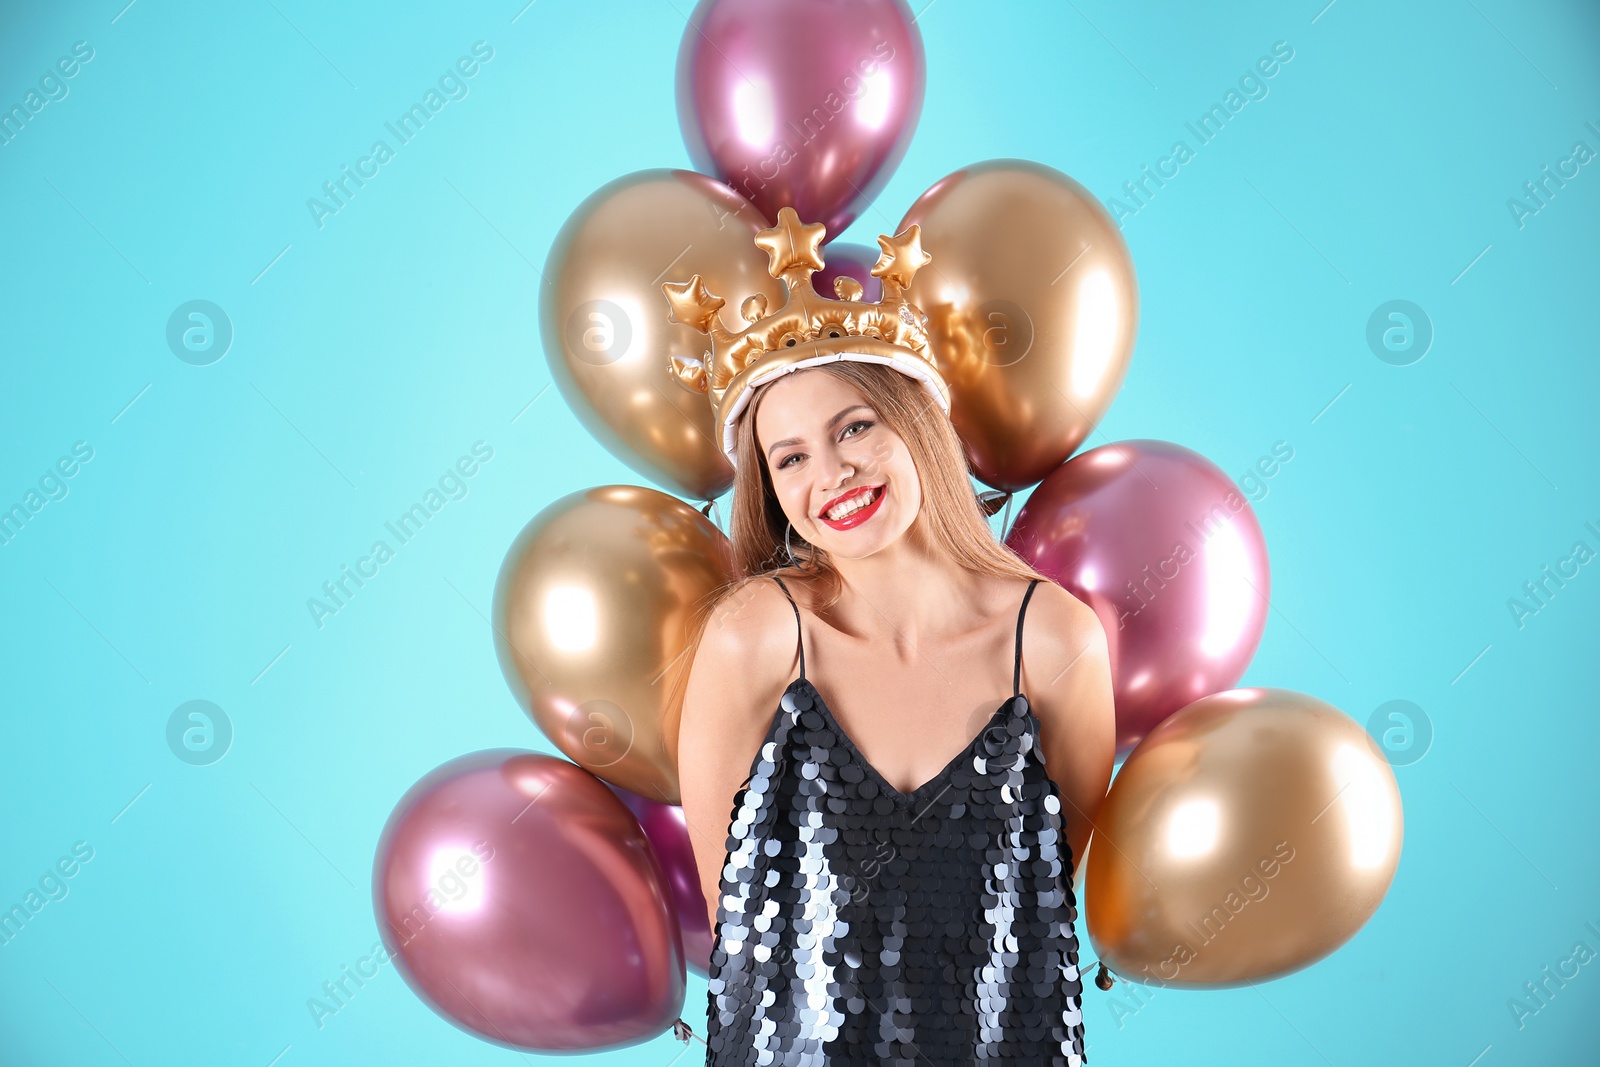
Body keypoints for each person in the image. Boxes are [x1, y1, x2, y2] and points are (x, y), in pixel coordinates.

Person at [664, 209, 1115, 1065]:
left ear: (918, 423)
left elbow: (1045, 907)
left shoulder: (1053, 641)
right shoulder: (756, 637)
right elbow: (738, 936)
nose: (830, 476)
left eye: (855, 427)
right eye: (789, 457)